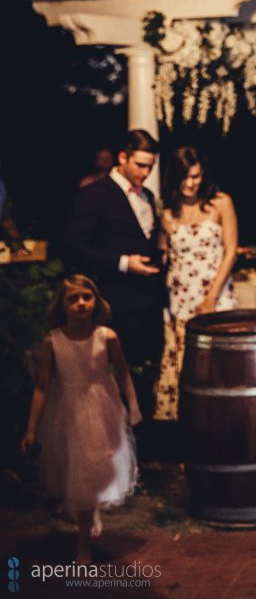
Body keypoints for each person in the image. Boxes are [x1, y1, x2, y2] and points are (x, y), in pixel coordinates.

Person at [21, 275, 140, 564]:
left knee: (94, 468)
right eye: (73, 299)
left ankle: (83, 547)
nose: (81, 303)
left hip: (103, 409)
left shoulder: (106, 336)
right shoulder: (53, 341)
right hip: (70, 413)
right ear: (62, 305)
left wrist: (133, 406)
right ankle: (89, 517)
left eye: (86, 297)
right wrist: (31, 429)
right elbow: (43, 386)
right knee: (79, 472)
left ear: (96, 301)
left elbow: (122, 372)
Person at [63, 130, 164, 438]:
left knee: (146, 379)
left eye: (150, 167)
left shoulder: (149, 197)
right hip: (115, 302)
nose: (145, 173)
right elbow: (73, 247)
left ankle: (143, 449)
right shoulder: (94, 194)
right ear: (123, 157)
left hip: (149, 303)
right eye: (140, 165)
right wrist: (123, 263)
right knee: (115, 379)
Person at [152, 147, 239, 422]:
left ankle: (222, 429)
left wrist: (212, 296)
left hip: (215, 294)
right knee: (186, 367)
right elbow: (164, 254)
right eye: (185, 177)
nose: (190, 183)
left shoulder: (221, 202)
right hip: (179, 299)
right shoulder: (167, 211)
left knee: (218, 365)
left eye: (196, 176)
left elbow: (231, 250)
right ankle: (189, 435)